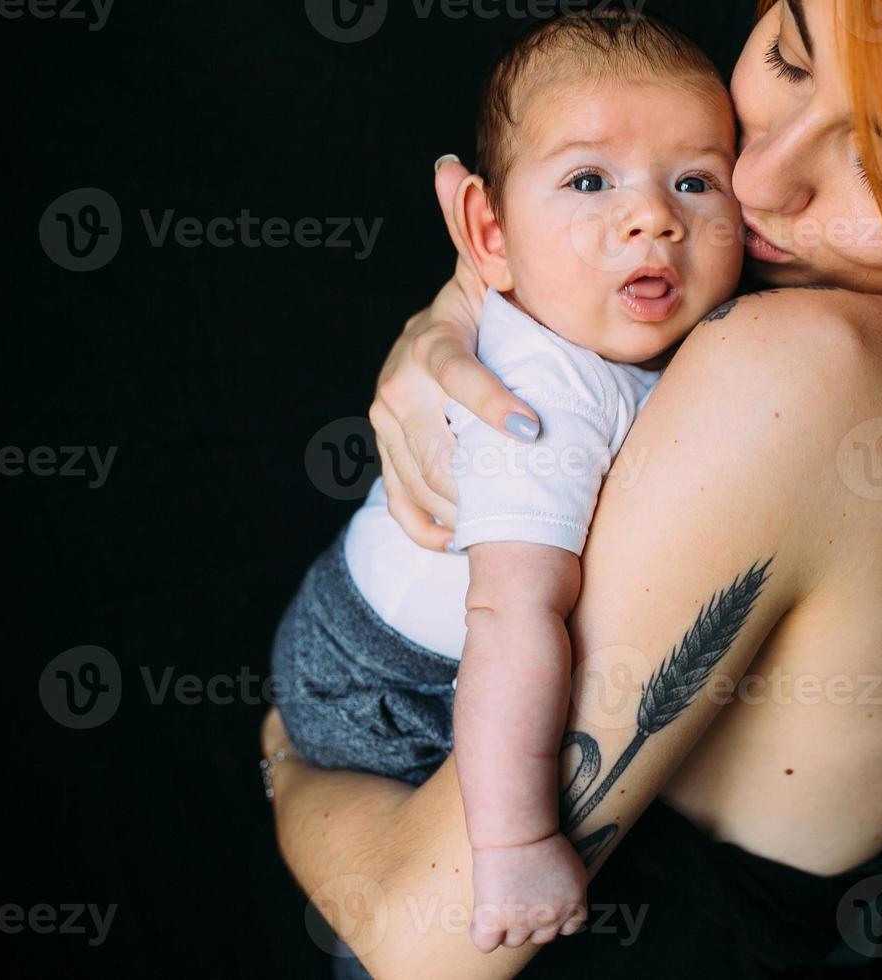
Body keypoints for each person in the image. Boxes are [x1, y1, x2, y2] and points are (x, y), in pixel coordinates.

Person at [262, 1, 882, 977]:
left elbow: (420, 935)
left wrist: (286, 755)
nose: (755, 177)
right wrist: (463, 307)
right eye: (789, 58)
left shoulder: (795, 369)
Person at [270, 12, 743, 954]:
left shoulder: (618, 328)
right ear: (487, 230)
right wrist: (516, 841)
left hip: (414, 643)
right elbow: (510, 618)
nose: (654, 215)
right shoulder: (542, 399)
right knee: (445, 916)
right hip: (389, 679)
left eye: (694, 180)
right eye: (587, 180)